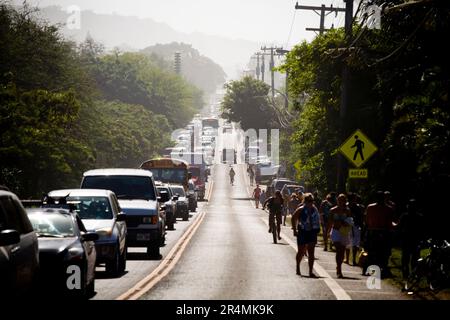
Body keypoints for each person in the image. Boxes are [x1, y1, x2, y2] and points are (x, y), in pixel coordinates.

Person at [365, 191, 395, 278]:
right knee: (383, 252)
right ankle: (382, 269)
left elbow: (366, 221)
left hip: (373, 231)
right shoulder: (389, 209)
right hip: (383, 232)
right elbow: (389, 223)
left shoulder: (370, 207)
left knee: (372, 252)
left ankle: (372, 269)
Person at [292, 193, 321, 277]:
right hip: (302, 231)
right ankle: (298, 267)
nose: (310, 202)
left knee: (311, 252)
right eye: (308, 201)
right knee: (301, 251)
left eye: (312, 201)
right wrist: (294, 230)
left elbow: (317, 220)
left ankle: (310, 271)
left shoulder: (314, 209)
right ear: (305, 201)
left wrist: (317, 229)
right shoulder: (301, 209)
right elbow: (294, 217)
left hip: (312, 232)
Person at [327, 194, 352, 278]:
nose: (342, 202)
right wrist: (327, 232)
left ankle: (339, 266)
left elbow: (350, 221)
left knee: (342, 251)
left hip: (344, 232)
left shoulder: (347, 211)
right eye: (340, 200)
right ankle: (339, 269)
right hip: (335, 231)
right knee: (338, 249)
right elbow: (330, 222)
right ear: (337, 200)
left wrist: (346, 223)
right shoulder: (332, 210)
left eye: (343, 200)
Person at [398, 199, 425, 279]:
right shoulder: (419, 217)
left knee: (407, 259)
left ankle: (407, 274)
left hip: (408, 240)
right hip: (413, 240)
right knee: (413, 259)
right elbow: (422, 230)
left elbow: (399, 228)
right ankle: (412, 274)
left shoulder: (405, 216)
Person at [347, 193, 365, 265]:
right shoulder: (357, 207)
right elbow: (361, 217)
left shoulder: (355, 206)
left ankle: (350, 259)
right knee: (352, 243)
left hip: (353, 226)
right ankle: (352, 260)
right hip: (352, 226)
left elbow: (361, 217)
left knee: (352, 244)